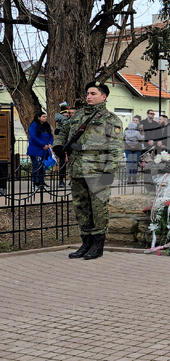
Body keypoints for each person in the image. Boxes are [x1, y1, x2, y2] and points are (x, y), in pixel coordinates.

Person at [53, 82, 124, 260]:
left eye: (93, 93)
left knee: (98, 209)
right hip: (77, 169)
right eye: (87, 93)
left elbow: (116, 149)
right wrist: (59, 147)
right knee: (81, 208)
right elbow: (63, 133)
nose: (88, 96)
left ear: (103, 96)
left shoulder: (111, 119)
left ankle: (97, 246)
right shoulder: (76, 117)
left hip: (98, 171)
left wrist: (109, 173)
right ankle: (85, 243)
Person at [27, 111, 54, 191]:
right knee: (37, 166)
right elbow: (33, 137)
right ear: (39, 117)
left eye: (46, 116)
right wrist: (43, 145)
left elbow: (50, 135)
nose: (45, 118)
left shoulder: (46, 126)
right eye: (43, 117)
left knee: (43, 166)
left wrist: (49, 143)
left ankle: (42, 181)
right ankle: (35, 182)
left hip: (45, 149)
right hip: (36, 149)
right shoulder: (34, 125)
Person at [124, 116, 143, 184]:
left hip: (137, 149)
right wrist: (129, 146)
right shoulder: (126, 130)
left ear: (139, 122)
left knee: (135, 163)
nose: (134, 121)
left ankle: (134, 178)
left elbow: (142, 140)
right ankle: (129, 178)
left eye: (136, 120)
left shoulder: (141, 130)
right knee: (129, 162)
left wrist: (135, 146)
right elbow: (123, 139)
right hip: (128, 149)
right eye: (133, 120)